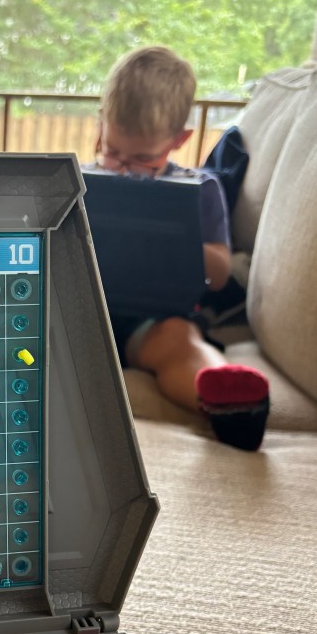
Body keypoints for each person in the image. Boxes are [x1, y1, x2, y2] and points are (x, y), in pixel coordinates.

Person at [93, 46, 269, 452]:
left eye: (143, 159)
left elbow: (219, 274)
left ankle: (230, 404)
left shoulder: (200, 190)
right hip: (81, 313)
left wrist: (173, 238)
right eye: (113, 152)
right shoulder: (81, 181)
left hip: (151, 322)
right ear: (101, 125)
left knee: (179, 341)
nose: (123, 167)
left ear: (179, 139)